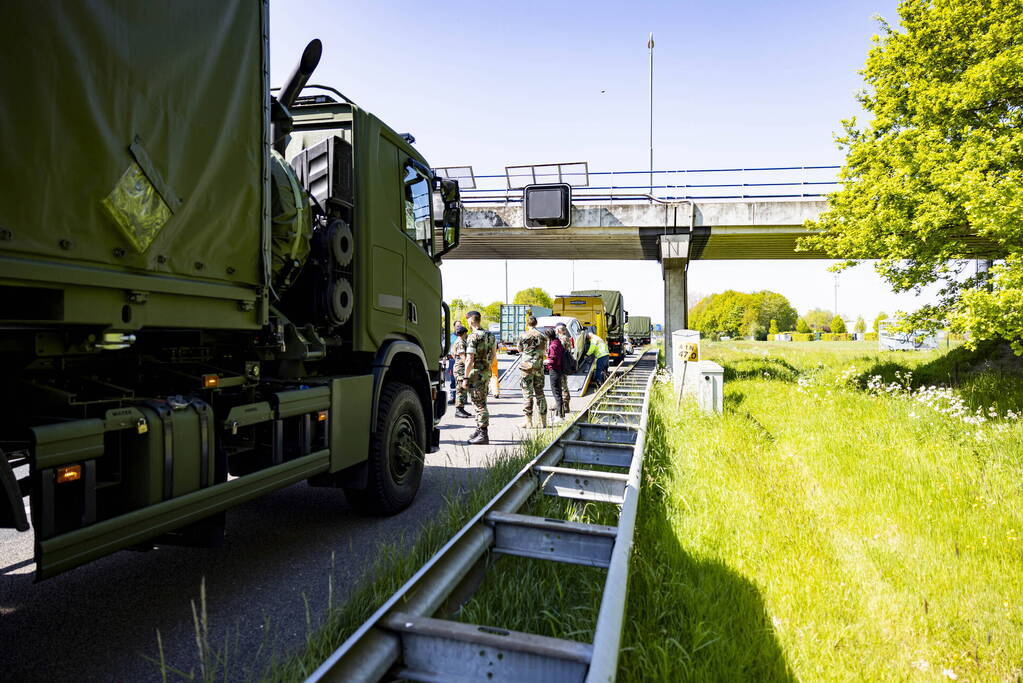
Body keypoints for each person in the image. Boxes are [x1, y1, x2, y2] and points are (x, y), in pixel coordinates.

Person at [462, 310, 495, 445]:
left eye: (468, 320)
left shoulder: (473, 337)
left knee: (479, 404)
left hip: (476, 374)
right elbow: (493, 355)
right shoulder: (490, 335)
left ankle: (483, 434)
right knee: (481, 401)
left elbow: (469, 359)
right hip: (486, 372)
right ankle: (478, 429)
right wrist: (487, 367)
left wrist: (465, 377)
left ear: (471, 321)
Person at [517, 316, 548, 429]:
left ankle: (528, 422)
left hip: (526, 368)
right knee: (540, 394)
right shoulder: (543, 336)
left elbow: (519, 349)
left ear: (527, 323)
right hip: (538, 367)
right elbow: (545, 351)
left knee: (527, 394)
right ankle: (543, 421)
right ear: (536, 323)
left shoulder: (523, 335)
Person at [544, 328, 566, 420]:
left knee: (556, 393)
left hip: (554, 370)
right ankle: (558, 415)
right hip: (559, 369)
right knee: (559, 392)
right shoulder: (558, 342)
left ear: (548, 336)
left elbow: (553, 359)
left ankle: (560, 416)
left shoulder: (553, 345)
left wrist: (545, 361)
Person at [451, 325, 471, 418]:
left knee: (463, 390)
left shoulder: (460, 341)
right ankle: (458, 410)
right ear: (464, 333)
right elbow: (463, 357)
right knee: (460, 389)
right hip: (460, 369)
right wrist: (469, 365)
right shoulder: (460, 342)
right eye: (466, 333)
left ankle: (461, 408)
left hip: (461, 368)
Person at [555, 324, 574, 410]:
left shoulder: (563, 338)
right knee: (562, 384)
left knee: (563, 384)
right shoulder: (566, 338)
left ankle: (565, 405)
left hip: (562, 364)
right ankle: (563, 404)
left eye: (556, 330)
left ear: (559, 331)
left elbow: (560, 350)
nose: (555, 331)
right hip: (563, 363)